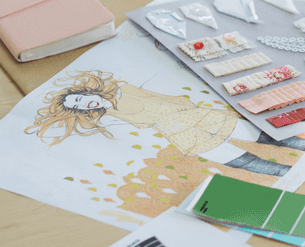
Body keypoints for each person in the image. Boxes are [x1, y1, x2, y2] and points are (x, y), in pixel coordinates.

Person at [26, 70, 290, 175]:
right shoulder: (108, 118)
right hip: (179, 133)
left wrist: (183, 103)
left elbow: (158, 95)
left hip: (193, 115)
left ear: (89, 93)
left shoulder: (123, 89)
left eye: (82, 99)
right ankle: (286, 175)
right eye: (79, 107)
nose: (86, 105)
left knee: (265, 137)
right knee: (247, 163)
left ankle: (300, 154)